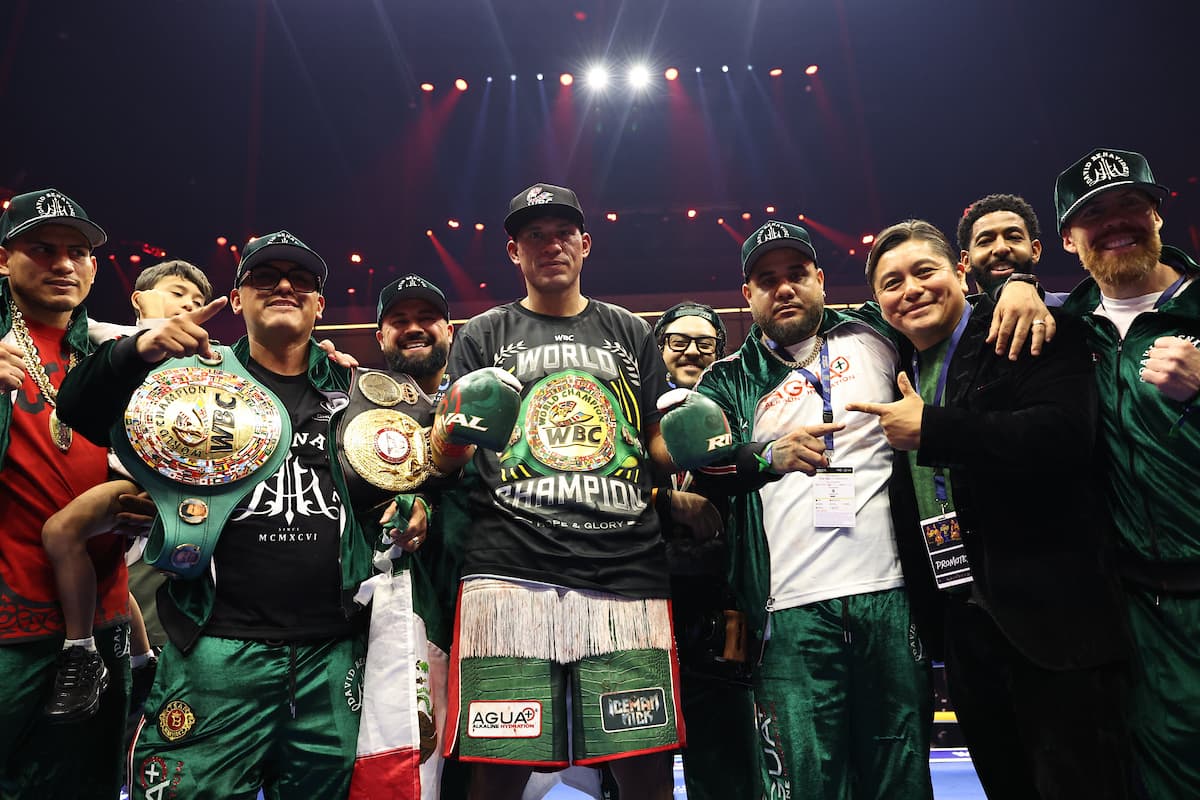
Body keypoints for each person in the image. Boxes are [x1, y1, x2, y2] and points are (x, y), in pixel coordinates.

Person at [57, 230, 414, 799]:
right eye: (264, 277)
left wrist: (410, 507)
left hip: (334, 650)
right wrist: (137, 350)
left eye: (301, 280)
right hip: (217, 646)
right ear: (238, 296)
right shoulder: (191, 379)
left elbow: (400, 484)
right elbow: (77, 408)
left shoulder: (357, 392)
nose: (283, 287)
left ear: (320, 305)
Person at [849, 218, 1134, 798]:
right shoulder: (896, 359)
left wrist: (932, 428)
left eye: (924, 271)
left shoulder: (1029, 327)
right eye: (892, 283)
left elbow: (1062, 436)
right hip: (962, 622)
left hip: (1052, 622)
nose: (911, 290)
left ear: (959, 272)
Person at [434, 183, 687, 800]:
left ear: (585, 243)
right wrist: (455, 435)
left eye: (562, 233)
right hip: (510, 572)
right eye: (533, 237)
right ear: (513, 251)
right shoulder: (483, 334)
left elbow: (654, 443)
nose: (550, 245)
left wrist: (690, 448)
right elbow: (451, 452)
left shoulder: (629, 330)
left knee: (643, 763)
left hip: (624, 572)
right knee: (499, 767)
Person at [686, 220, 934, 800]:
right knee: (800, 786)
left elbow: (945, 308)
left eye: (796, 274)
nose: (784, 288)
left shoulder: (878, 332)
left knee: (900, 778)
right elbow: (704, 464)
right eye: (767, 279)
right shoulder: (728, 380)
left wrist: (1021, 285)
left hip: (892, 593)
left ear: (821, 280)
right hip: (788, 610)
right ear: (747, 296)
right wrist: (768, 456)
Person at [1001, 147, 1200, 799]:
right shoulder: (1062, 330)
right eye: (1095, 214)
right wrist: (1015, 282)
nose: (1116, 223)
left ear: (1158, 213)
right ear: (1066, 238)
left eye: (1129, 205)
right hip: (1136, 610)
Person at [0, 188, 133, 799]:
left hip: (102, 623)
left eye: (78, 252)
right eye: (42, 248)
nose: (63, 264)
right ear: (5, 259)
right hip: (8, 631)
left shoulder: (113, 351)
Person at [40, 259, 214, 723]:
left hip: (152, 483)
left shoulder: (210, 356)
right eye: (178, 293)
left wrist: (329, 359)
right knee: (109, 577)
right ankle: (140, 663)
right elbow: (51, 313)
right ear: (138, 300)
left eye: (197, 301)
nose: (188, 306)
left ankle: (81, 653)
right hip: (113, 474)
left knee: (62, 534)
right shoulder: (109, 337)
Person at [651, 301, 759, 800]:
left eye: (705, 343)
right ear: (659, 349)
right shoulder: (631, 415)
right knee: (637, 764)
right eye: (678, 341)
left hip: (721, 604)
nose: (691, 351)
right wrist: (666, 500)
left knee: (724, 761)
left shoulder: (742, 412)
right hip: (641, 602)